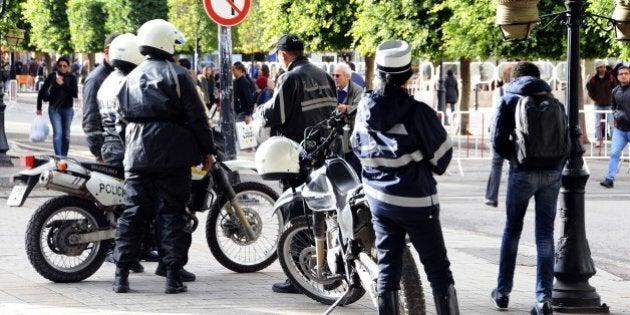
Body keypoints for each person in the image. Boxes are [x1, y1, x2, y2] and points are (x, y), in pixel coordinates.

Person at [350, 39, 459, 315]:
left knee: (389, 266)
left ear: (379, 72)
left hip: (379, 201)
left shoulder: (364, 108)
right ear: (409, 72)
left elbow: (356, 146)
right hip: (417, 203)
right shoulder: (418, 112)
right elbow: (442, 159)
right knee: (438, 270)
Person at [112, 19, 216, 294]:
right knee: (171, 214)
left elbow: (120, 118)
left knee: (133, 214)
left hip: (137, 155)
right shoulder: (179, 75)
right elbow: (197, 117)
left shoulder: (130, 77)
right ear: (165, 42)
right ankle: (172, 276)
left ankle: (121, 275)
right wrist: (208, 149)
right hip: (173, 155)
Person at [255, 34, 336, 294]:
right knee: (320, 211)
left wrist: (259, 110)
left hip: (297, 155)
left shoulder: (290, 77)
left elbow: (275, 114)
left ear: (283, 55)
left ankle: (298, 276)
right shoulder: (322, 74)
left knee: (296, 211)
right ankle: (326, 266)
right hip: (324, 151)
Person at [491, 61, 564, 315]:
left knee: (512, 231)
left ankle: (502, 292)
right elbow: (567, 137)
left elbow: (497, 140)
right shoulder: (552, 98)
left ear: (515, 78)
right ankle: (543, 300)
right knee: (545, 235)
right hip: (552, 173)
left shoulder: (509, 98)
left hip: (522, 172)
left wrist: (515, 156)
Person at [83, 34, 118, 163]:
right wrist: (99, 153)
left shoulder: (120, 74)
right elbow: (91, 119)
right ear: (107, 52)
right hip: (110, 152)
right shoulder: (96, 79)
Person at [36, 56, 78, 157]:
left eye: (65, 66)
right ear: (57, 67)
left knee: (66, 135)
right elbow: (41, 92)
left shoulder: (71, 78)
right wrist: (39, 107)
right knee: (58, 133)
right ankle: (58, 157)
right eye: (60, 66)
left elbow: (74, 94)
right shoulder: (52, 77)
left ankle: (64, 156)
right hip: (54, 109)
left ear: (68, 67)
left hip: (68, 109)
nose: (62, 68)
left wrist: (62, 84)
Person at [484, 66, 513, 207]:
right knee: (513, 165)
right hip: (515, 132)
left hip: (500, 131)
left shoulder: (500, 91)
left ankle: (491, 197)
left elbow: (494, 112)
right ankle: (511, 197)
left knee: (496, 164)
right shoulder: (521, 91)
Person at [600, 65, 630, 189]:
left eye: (626, 73)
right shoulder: (615, 91)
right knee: (614, 153)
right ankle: (609, 179)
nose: (623, 75)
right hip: (620, 129)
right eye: (621, 74)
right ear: (617, 77)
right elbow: (612, 106)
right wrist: (616, 115)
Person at [333, 62, 363, 175]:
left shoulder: (358, 90)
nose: (334, 78)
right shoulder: (332, 89)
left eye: (337, 75)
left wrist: (346, 108)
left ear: (347, 76)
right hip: (335, 137)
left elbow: (359, 107)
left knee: (353, 169)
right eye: (333, 75)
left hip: (351, 136)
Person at [587, 61, 616, 147]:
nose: (602, 69)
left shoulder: (611, 78)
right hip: (598, 105)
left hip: (609, 104)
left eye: (603, 67)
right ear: (597, 69)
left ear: (605, 68)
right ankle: (599, 140)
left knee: (611, 123)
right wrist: (596, 98)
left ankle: (614, 141)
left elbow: (615, 89)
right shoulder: (593, 79)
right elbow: (589, 90)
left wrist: (612, 99)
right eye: (600, 67)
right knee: (598, 123)